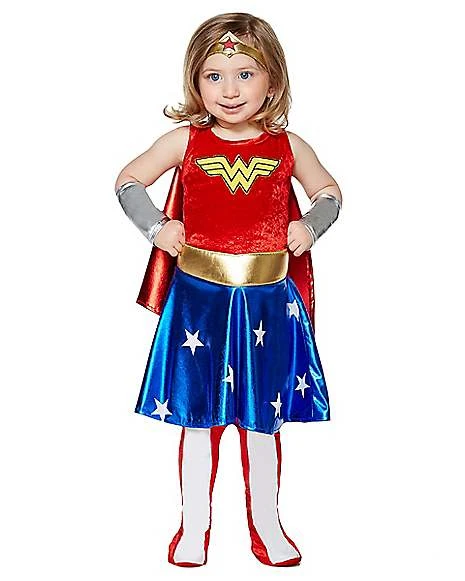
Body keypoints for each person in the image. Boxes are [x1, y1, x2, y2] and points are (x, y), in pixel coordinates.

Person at [114, 12, 342, 568]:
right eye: (214, 76)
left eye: (245, 73)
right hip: (200, 304)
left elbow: (330, 192)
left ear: (273, 79)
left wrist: (311, 226)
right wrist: (155, 226)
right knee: (198, 418)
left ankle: (267, 523)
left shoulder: (288, 147)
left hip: (265, 303)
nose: (230, 89)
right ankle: (194, 525)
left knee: (262, 421)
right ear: (195, 82)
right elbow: (128, 179)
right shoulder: (185, 142)